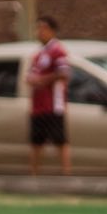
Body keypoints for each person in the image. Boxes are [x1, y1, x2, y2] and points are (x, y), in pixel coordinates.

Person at [26, 15, 71, 175]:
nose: (39, 32)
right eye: (37, 28)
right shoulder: (38, 54)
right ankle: (34, 176)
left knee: (60, 141)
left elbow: (64, 73)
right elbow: (30, 76)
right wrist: (32, 80)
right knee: (36, 142)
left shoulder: (57, 50)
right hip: (38, 105)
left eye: (42, 28)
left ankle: (66, 176)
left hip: (53, 104)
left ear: (51, 31)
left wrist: (43, 80)